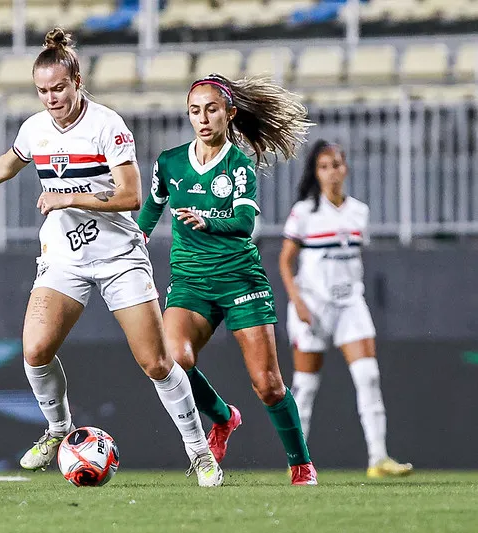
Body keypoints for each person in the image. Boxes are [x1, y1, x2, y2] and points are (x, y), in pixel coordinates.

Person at [0, 28, 222, 486]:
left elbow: (132, 196)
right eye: (42, 91)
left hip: (118, 256)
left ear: (77, 80)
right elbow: (11, 161)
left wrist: (67, 197)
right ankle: (58, 430)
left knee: (155, 361)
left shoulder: (107, 126)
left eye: (59, 88)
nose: (51, 99)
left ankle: (199, 452)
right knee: (34, 350)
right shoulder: (35, 128)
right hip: (65, 258)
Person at [137, 73, 318, 485]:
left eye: (212, 110)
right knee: (172, 360)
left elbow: (243, 222)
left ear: (230, 113)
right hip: (190, 282)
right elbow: (152, 207)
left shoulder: (239, 164)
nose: (203, 118)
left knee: (268, 386)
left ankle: (301, 463)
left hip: (240, 281)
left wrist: (206, 221)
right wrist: (137, 239)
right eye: (195, 111)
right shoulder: (170, 162)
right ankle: (222, 417)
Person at [278, 140, 413, 478]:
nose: (332, 172)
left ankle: (378, 458)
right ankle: (298, 463)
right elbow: (285, 262)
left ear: (346, 168)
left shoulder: (359, 212)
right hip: (313, 305)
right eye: (324, 166)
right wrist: (298, 301)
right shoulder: (304, 213)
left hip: (351, 304)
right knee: (305, 386)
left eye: (336, 164)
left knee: (368, 377)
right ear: (316, 172)